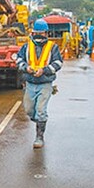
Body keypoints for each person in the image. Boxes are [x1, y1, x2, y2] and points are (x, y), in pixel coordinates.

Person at [16, 18, 63, 149]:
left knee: (41, 110)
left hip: (45, 83)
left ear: (46, 34)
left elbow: (58, 63)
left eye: (41, 33)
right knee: (29, 110)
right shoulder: (26, 46)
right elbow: (19, 59)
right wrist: (26, 68)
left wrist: (44, 71)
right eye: (36, 33)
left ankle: (39, 137)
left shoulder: (52, 47)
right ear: (32, 33)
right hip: (30, 83)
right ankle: (39, 121)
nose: (38, 36)